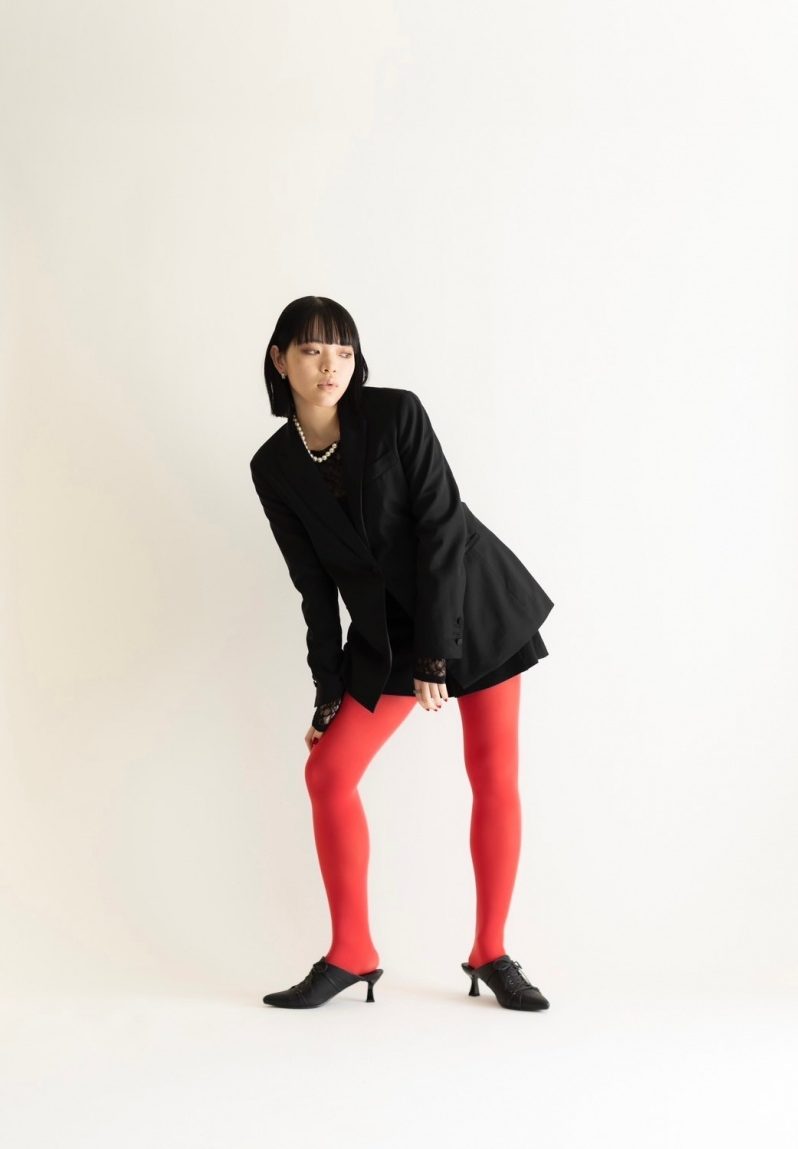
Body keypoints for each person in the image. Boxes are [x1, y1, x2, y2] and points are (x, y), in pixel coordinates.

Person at [250, 295, 554, 1011]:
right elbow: (314, 587)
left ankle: (491, 950)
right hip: (385, 632)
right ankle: (351, 953)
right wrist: (328, 695)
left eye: (343, 350)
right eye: (312, 350)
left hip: (472, 603)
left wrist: (435, 656)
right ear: (280, 360)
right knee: (328, 773)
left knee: (493, 774)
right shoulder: (274, 466)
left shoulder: (395, 413)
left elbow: (442, 525)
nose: (330, 366)